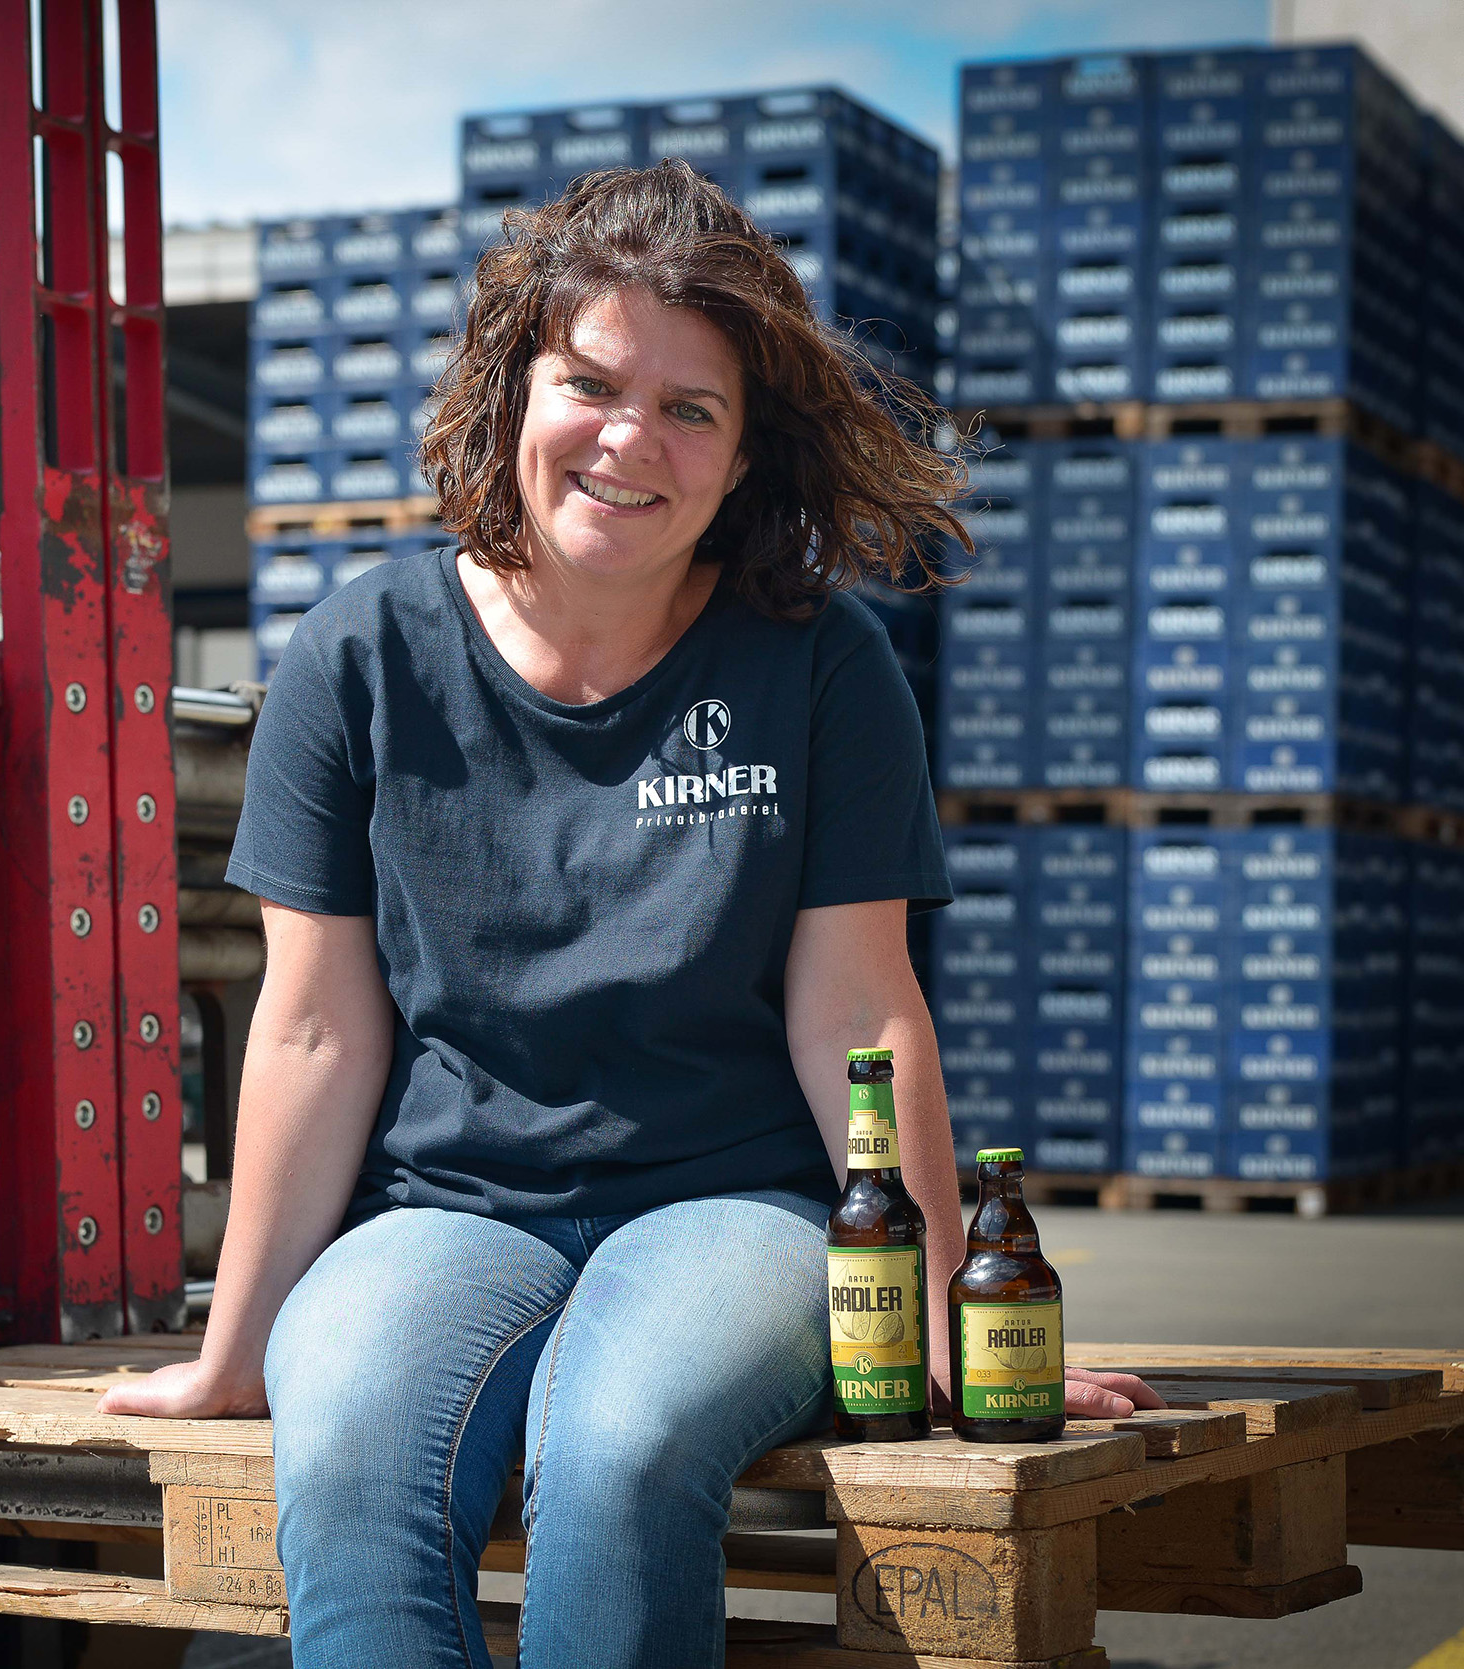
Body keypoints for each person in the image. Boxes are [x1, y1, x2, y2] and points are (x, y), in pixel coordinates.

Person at [100, 162, 1160, 1667]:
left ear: (744, 459)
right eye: (589, 382)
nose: (628, 439)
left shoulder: (819, 666)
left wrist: (938, 1312)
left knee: (620, 1444)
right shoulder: (358, 659)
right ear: (510, 394)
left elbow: (860, 1012)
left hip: (737, 1212)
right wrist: (233, 1351)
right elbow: (317, 1028)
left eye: (690, 408)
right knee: (344, 1454)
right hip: (446, 1212)